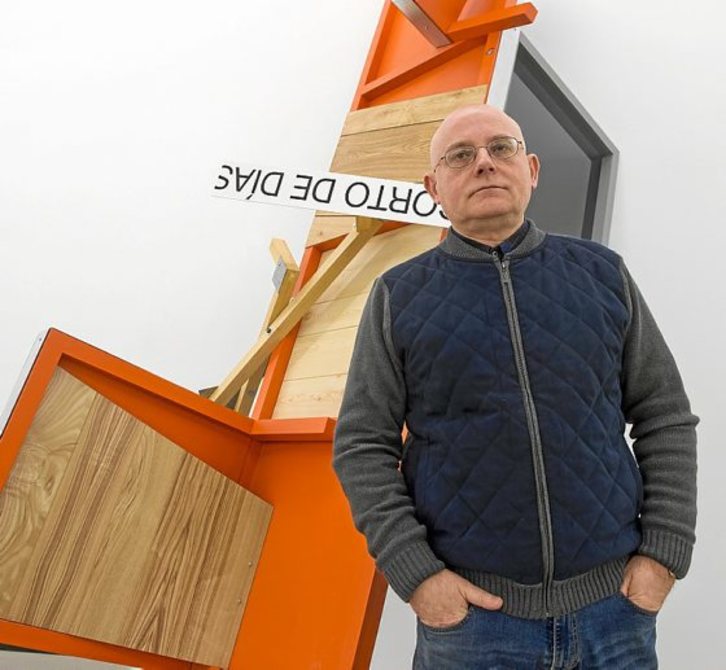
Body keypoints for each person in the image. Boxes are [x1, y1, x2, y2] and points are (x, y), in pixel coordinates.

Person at [332, 104, 698, 668]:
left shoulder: (602, 273)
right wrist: (419, 576)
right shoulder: (397, 297)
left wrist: (664, 555)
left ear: (531, 169)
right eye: (460, 156)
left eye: (501, 148)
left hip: (614, 615)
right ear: (434, 188)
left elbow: (665, 414)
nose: (484, 163)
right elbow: (361, 444)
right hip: (473, 628)